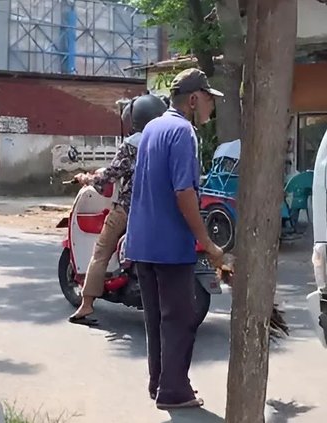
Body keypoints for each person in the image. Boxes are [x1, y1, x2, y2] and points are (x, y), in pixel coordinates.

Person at [125, 68, 225, 409]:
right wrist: (208, 244)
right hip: (170, 246)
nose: (212, 109)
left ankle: (159, 383)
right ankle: (174, 391)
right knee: (180, 319)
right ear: (194, 99)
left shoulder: (153, 127)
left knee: (156, 319)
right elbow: (184, 192)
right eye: (210, 101)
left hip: (143, 243)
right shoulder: (184, 132)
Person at [68, 94, 168, 326]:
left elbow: (110, 176)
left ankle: (86, 305)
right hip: (161, 208)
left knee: (101, 251)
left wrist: (86, 177)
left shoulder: (131, 145)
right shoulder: (168, 140)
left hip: (129, 208)